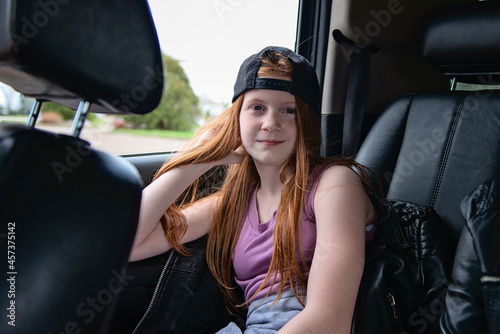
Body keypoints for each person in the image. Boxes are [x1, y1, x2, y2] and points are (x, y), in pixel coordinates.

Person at [129, 46, 377, 333]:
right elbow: (129, 243)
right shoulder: (231, 203)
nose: (271, 124)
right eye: (257, 108)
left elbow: (329, 322)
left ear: (307, 121)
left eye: (289, 111)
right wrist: (201, 158)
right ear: (237, 118)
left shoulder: (334, 184)